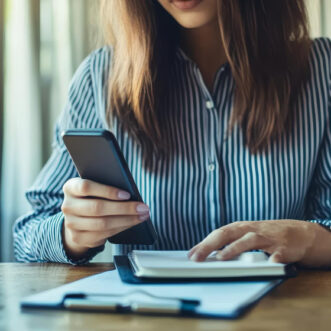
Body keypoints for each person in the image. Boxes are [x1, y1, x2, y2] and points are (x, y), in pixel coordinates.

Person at [14, 0, 331, 266]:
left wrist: (313, 239)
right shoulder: (98, 78)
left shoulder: (322, 70)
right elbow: (26, 237)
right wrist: (71, 235)